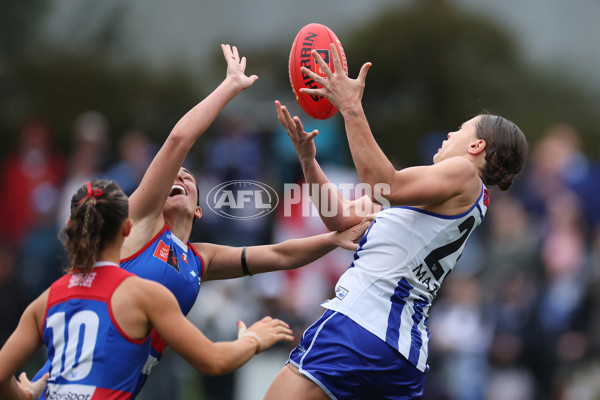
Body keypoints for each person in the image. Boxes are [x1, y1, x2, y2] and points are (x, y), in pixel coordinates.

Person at [31, 44, 373, 398]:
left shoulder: (198, 258)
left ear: (198, 210)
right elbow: (180, 139)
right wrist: (230, 86)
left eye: (188, 178)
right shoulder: (136, 224)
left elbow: (281, 255)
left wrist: (332, 241)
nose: (178, 176)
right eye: (172, 178)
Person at [265, 44, 529, 399]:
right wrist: (308, 161)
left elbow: (381, 182)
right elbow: (340, 217)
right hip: (401, 353)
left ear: (476, 147)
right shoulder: (447, 196)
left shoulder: (464, 174)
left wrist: (351, 107)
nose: (450, 134)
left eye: (459, 130)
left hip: (358, 326)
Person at [0, 179, 295, 400]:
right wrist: (254, 339)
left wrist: (24, 395)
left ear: (69, 227)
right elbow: (214, 360)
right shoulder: (141, 294)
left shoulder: (47, 299)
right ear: (127, 229)